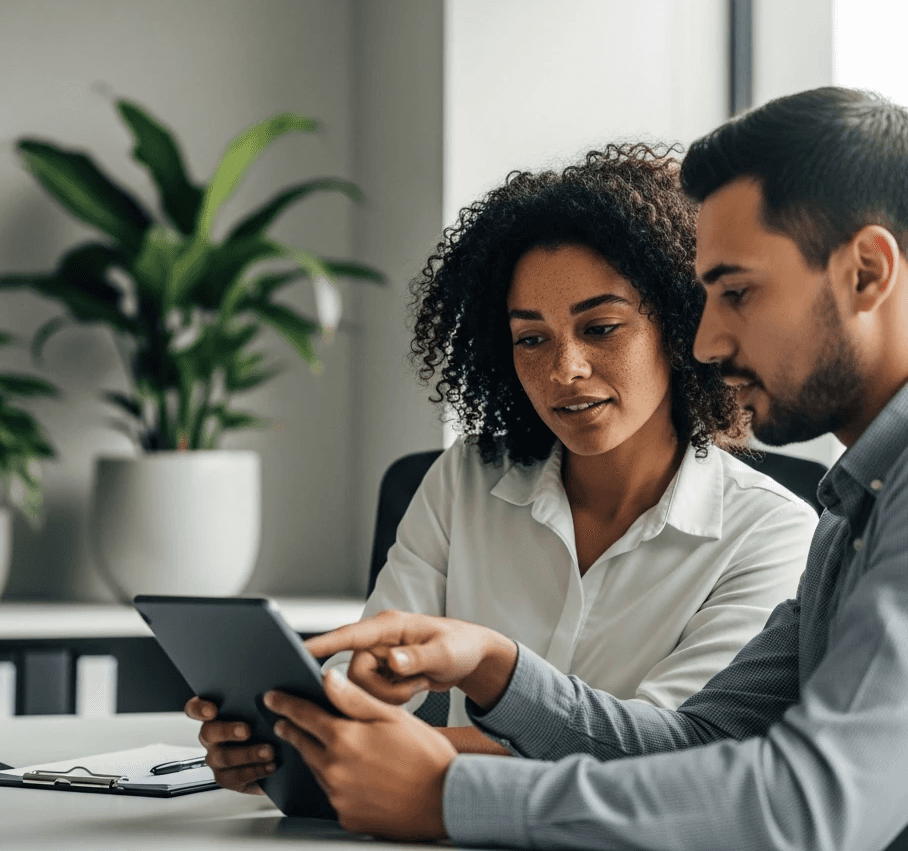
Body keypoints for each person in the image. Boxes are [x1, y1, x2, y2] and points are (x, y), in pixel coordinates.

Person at [234, 86, 908, 850]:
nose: (708, 341)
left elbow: (808, 803)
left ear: (866, 272)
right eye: (707, 297)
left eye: (737, 293)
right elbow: (697, 743)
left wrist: (449, 794)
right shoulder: (854, 510)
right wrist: (497, 667)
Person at [187, 145, 817, 792]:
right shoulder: (464, 481)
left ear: (681, 327)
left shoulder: (774, 535)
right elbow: (364, 687)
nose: (564, 369)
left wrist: (373, 752)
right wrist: (292, 736)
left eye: (600, 328)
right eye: (531, 338)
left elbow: (667, 753)